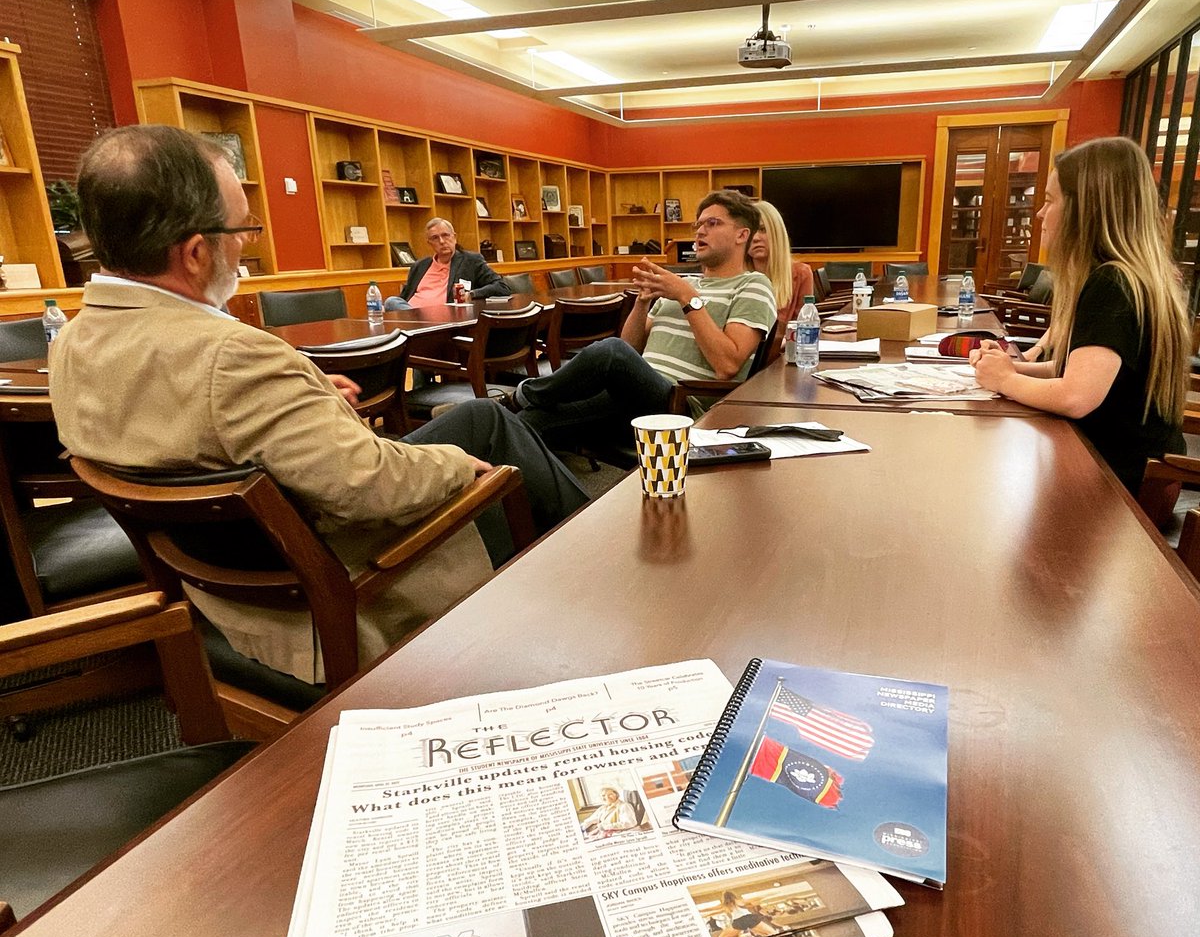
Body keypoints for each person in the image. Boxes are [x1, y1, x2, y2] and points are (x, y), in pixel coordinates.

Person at [50, 125, 588, 683]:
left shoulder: (72, 341)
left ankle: (593, 545)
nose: (246, 245)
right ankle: (597, 565)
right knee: (483, 445)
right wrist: (456, 465)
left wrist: (303, 396)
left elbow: (180, 421)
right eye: (243, 228)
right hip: (323, 590)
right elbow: (368, 486)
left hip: (217, 582)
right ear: (193, 252)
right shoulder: (234, 357)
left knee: (479, 415)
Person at [970, 136, 1190, 494]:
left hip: (1117, 487)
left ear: (1084, 209)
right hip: (1124, 469)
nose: (1040, 214)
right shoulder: (1131, 277)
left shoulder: (1112, 283)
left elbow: (1075, 396)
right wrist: (1013, 368)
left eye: (1050, 201)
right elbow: (1084, 373)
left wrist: (1004, 381)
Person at [513, 190, 776, 444]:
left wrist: (688, 298)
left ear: (742, 235)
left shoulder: (753, 285)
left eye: (713, 223)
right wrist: (643, 303)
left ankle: (525, 393)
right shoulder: (682, 283)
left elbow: (727, 365)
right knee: (527, 421)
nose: (700, 231)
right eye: (698, 224)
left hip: (679, 407)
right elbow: (631, 348)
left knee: (611, 351)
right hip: (632, 393)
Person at [386, 218, 510, 308]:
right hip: (412, 318)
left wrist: (472, 294)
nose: (441, 241)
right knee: (390, 302)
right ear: (429, 243)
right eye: (435, 238)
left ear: (454, 237)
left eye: (445, 235)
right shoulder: (420, 266)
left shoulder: (471, 261)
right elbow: (403, 297)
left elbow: (501, 287)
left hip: (446, 318)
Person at [750, 199, 814, 332]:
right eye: (751, 231)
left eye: (763, 230)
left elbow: (803, 328)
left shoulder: (801, 273)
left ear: (776, 233)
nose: (755, 238)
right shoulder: (736, 275)